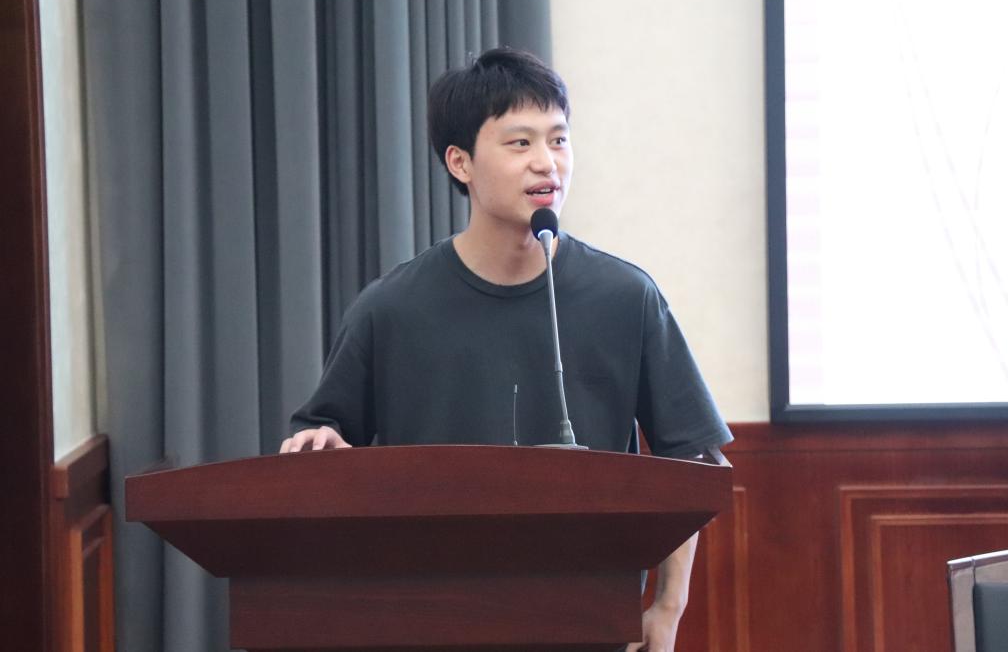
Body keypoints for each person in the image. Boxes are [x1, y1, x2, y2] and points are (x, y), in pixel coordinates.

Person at [280, 47, 733, 651]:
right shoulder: (391, 307)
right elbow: (324, 434)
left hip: (592, 627)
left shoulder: (626, 296)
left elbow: (692, 461)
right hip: (430, 626)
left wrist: (667, 609)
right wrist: (323, 442)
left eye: (559, 140)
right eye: (521, 143)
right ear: (460, 162)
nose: (547, 162)